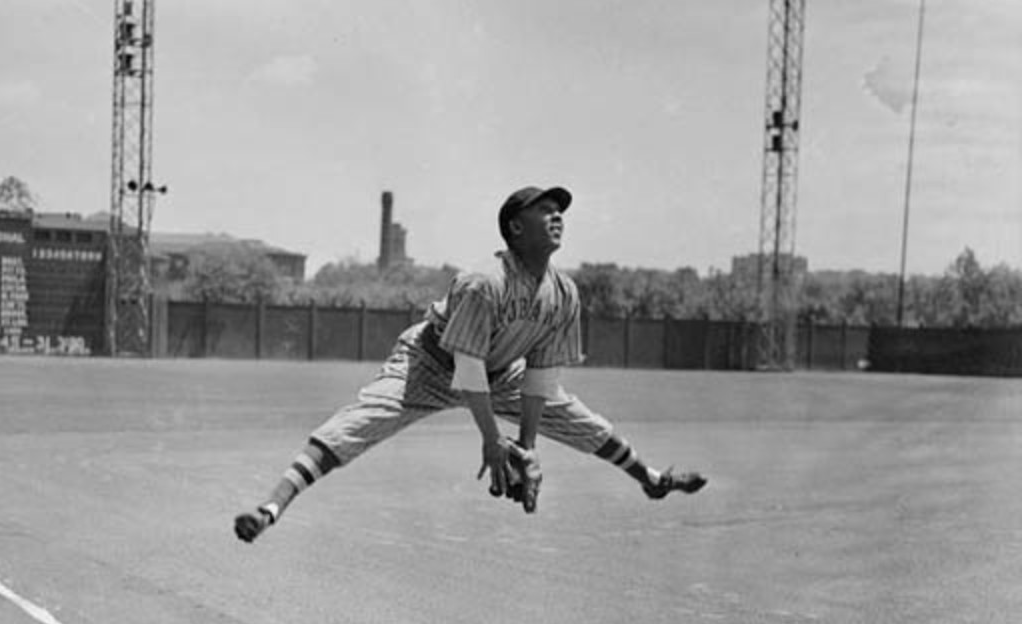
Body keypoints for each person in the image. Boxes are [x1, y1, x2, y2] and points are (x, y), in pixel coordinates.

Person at [234, 185, 706, 542]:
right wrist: (490, 441)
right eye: (543, 208)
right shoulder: (485, 282)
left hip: (501, 374)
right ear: (516, 227)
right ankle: (270, 509)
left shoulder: (564, 293)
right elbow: (467, 367)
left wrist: (525, 449)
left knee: (583, 422)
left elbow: (540, 378)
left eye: (559, 208)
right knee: (355, 424)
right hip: (430, 362)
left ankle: (653, 481)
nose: (556, 214)